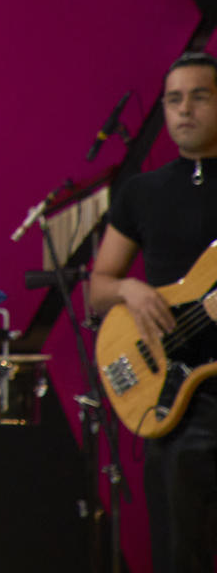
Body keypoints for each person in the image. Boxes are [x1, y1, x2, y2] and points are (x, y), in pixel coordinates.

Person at [91, 50, 217, 573]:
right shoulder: (141, 192)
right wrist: (131, 290)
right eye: (173, 99)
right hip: (176, 398)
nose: (184, 109)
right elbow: (98, 288)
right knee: (179, 555)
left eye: (199, 97)